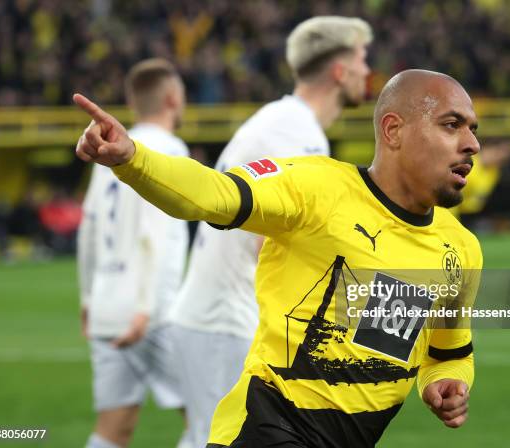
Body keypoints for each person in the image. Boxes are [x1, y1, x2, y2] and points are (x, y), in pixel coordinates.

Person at [73, 68, 482, 447]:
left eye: (472, 130)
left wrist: (446, 381)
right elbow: (215, 194)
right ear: (393, 130)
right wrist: (133, 159)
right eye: (452, 125)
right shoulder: (316, 188)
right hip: (267, 427)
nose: (472, 144)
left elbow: (448, 354)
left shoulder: (459, 249)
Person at [170, 16, 371, 447]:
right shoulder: (295, 134)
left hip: (216, 315)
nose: (367, 70)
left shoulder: (283, 122)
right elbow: (278, 239)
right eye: (362, 58)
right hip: (226, 319)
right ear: (339, 71)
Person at [77, 58, 191, 448]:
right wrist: (145, 308)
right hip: (154, 311)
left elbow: (88, 228)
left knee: (114, 427)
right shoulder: (168, 148)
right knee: (215, 416)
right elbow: (155, 235)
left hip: (109, 307)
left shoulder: (108, 147)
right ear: (174, 98)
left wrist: (88, 299)